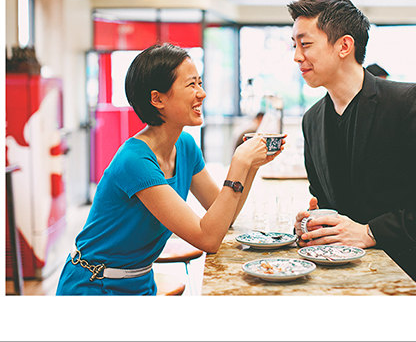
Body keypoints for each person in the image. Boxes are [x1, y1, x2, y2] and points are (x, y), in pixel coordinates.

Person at [287, 0, 416, 295]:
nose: (297, 56)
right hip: (357, 283)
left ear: (344, 46)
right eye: (294, 45)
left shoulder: (406, 101)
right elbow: (330, 204)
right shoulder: (312, 119)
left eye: (305, 44)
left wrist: (370, 232)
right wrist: (315, 224)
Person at [56, 43, 284, 295]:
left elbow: (224, 217)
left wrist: (250, 166)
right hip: (94, 285)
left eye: (200, 83)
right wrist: (238, 163)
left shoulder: (185, 145)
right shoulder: (134, 161)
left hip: (140, 281)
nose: (202, 93)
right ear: (157, 99)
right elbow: (208, 239)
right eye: (191, 85)